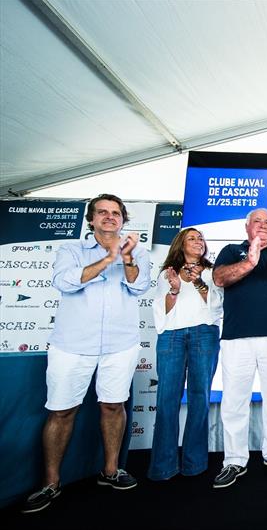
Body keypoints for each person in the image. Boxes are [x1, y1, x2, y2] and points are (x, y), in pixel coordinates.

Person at [22, 194, 150, 513]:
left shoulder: (138, 251)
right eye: (102, 213)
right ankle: (51, 482)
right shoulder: (71, 250)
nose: (109, 217)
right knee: (62, 411)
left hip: (120, 344)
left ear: (123, 219)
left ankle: (110, 470)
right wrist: (108, 260)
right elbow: (65, 282)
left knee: (113, 405)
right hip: (72, 345)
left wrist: (128, 258)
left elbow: (139, 286)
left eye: (116, 213)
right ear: (91, 219)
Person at [211, 208, 267, 488]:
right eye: (258, 222)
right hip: (236, 337)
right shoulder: (230, 250)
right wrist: (249, 263)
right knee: (235, 400)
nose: (263, 226)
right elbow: (219, 279)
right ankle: (235, 460)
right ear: (247, 226)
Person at [148, 228, 222, 481]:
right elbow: (163, 309)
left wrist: (198, 281)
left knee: (200, 398)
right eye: (192, 238)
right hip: (172, 336)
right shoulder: (166, 272)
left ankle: (195, 463)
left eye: (201, 238)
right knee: (167, 398)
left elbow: (217, 306)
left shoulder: (212, 272)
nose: (198, 241)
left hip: (204, 333)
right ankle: (163, 466)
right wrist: (176, 288)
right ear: (181, 244)